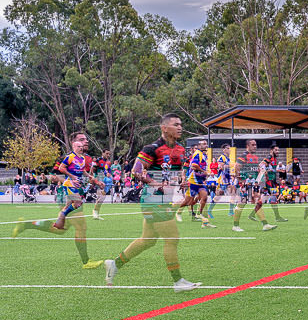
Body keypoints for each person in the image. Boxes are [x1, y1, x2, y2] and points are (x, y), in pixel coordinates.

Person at [102, 114, 200, 292]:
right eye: (175, 124)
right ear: (164, 128)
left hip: (163, 199)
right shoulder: (152, 148)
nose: (180, 127)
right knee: (172, 238)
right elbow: (136, 171)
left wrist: (180, 181)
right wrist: (156, 184)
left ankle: (114, 264)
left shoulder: (179, 149)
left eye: (181, 124)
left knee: (147, 241)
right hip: (152, 200)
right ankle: (178, 282)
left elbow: (172, 173)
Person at [12, 130, 103, 268]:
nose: (86, 141)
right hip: (66, 191)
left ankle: (27, 225)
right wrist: (70, 179)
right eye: (82, 140)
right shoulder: (67, 158)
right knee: (81, 227)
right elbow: (55, 175)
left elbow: (82, 173)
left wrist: (93, 180)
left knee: (60, 229)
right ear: (74, 143)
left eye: (86, 140)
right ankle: (86, 262)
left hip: (73, 190)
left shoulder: (84, 158)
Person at [231, 139, 276, 232]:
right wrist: (241, 179)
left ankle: (265, 224)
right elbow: (236, 167)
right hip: (245, 184)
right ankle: (235, 226)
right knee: (241, 203)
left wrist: (259, 174)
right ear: (247, 146)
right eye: (253, 145)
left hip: (252, 184)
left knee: (257, 202)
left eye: (255, 145)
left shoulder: (254, 157)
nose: (255, 146)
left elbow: (254, 169)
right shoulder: (244, 155)